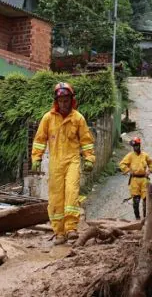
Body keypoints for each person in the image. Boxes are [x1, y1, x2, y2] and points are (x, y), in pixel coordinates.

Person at [31, 82, 95, 245]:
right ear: (56, 101)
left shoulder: (78, 118)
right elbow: (39, 140)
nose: (64, 103)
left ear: (71, 100)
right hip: (55, 163)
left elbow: (86, 141)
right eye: (61, 100)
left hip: (72, 160)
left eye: (66, 100)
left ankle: (71, 228)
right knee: (55, 198)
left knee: (72, 192)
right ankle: (59, 232)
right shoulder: (48, 118)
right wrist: (36, 158)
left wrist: (88, 158)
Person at [119, 137, 152, 220]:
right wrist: (128, 170)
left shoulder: (145, 155)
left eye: (136, 146)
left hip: (144, 179)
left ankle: (146, 218)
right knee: (136, 201)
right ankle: (137, 218)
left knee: (146, 200)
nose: (135, 147)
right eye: (134, 146)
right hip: (134, 180)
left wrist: (149, 170)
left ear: (139, 145)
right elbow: (122, 164)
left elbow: (151, 162)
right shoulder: (130, 155)